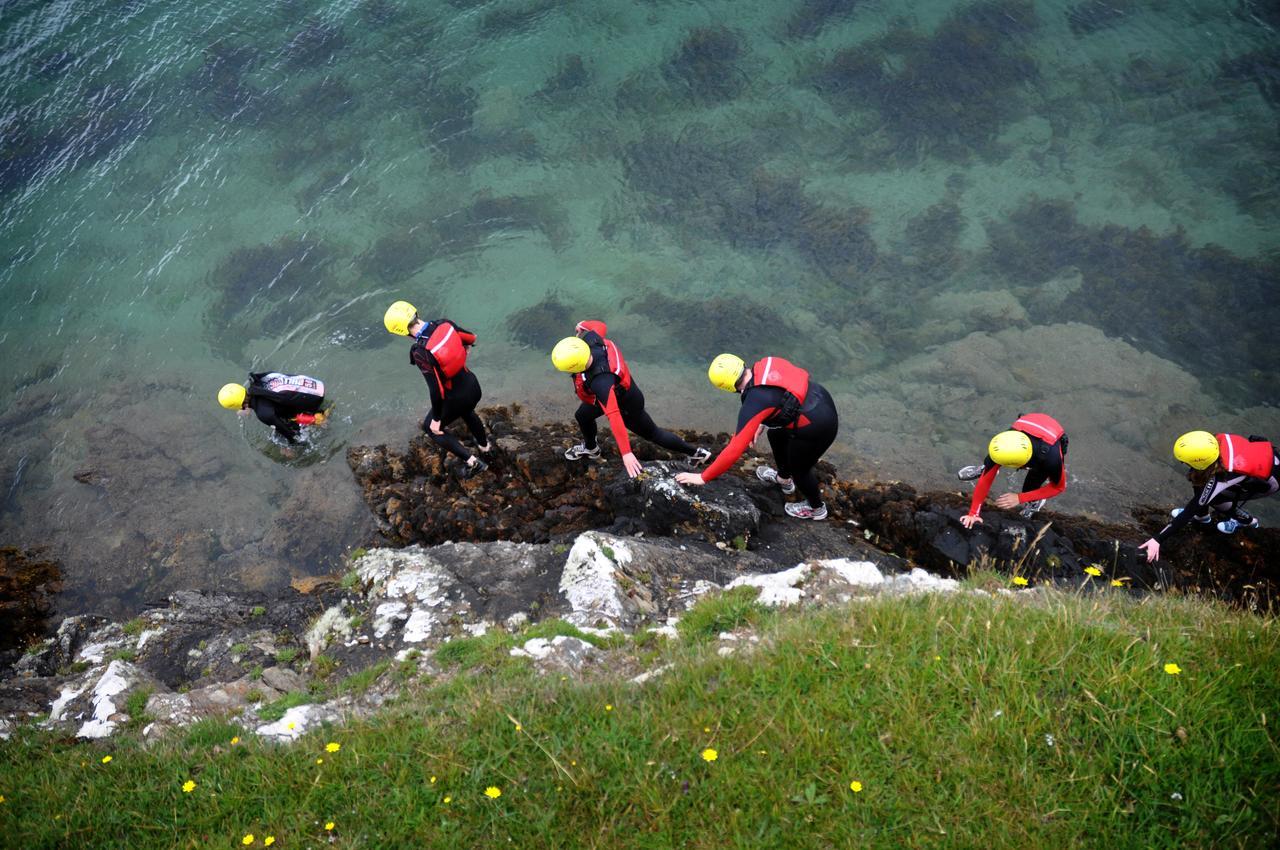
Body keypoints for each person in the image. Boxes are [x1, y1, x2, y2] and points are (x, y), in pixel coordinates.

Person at [674, 353, 839, 520]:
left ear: (726, 386)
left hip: (818, 426)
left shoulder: (753, 403)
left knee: (800, 470)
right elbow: (781, 395)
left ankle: (816, 508)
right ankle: (783, 480)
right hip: (821, 400)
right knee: (775, 435)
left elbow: (734, 449)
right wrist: (762, 421)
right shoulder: (768, 362)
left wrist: (703, 477)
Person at [551, 320, 711, 479]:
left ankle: (696, 453)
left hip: (627, 403)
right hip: (612, 394)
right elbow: (600, 326)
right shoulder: (592, 341)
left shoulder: (601, 382)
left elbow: (614, 416)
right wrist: (584, 324)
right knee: (582, 416)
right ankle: (591, 448)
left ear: (575, 367)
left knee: (654, 434)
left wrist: (626, 453)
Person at [383, 300, 490, 479]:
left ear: (400, 330)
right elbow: (471, 338)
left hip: (456, 397)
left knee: (431, 428)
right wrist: (465, 349)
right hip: (473, 386)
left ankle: (474, 463)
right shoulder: (444, 323)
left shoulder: (420, 352)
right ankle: (485, 447)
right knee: (467, 411)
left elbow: (437, 391)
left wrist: (436, 419)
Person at [1139, 430, 1278, 562]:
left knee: (1214, 499)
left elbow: (1191, 509)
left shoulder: (1223, 475)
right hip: (1268, 457)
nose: (1183, 463)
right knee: (1201, 486)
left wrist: (1157, 539)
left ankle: (1247, 521)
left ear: (1200, 462)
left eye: (1186, 461)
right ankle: (1203, 518)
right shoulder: (1212, 447)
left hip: (1269, 480)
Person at [957, 413, 1069, 528]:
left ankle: (1035, 502)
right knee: (990, 467)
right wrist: (973, 513)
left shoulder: (1051, 458)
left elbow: (1058, 487)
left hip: (1050, 440)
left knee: (1029, 487)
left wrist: (1020, 498)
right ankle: (986, 467)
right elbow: (985, 481)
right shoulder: (1004, 443)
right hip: (1028, 425)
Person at [218, 372, 327, 447]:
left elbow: (293, 435)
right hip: (314, 386)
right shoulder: (258, 378)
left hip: (315, 401)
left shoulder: (264, 414)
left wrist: (290, 446)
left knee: (280, 439)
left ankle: (320, 419)